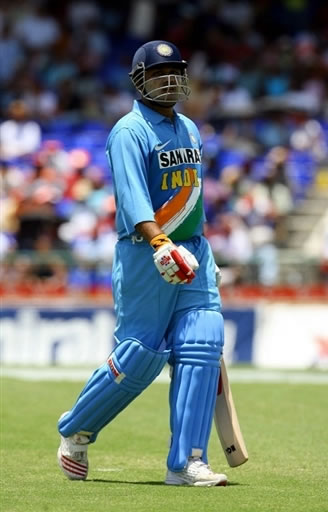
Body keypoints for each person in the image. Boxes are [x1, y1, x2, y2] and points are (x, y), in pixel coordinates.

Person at [57, 40, 227, 487]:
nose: (169, 80)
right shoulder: (129, 132)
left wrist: (203, 254)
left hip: (192, 252)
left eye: (175, 71)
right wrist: (161, 245)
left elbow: (191, 198)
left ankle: (187, 462)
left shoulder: (190, 128)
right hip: (146, 254)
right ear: (139, 80)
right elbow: (133, 197)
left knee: (202, 343)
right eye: (158, 73)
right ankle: (76, 428)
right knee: (141, 357)